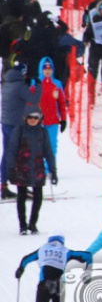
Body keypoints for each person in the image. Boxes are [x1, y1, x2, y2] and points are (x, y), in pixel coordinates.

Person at [8, 106, 56, 235]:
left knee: (38, 196)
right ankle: (22, 225)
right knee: (22, 196)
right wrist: (11, 168)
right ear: (25, 118)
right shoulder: (20, 130)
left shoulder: (43, 132)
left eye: (36, 118)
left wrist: (53, 170)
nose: (33, 120)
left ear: (39, 119)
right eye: (30, 117)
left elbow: (48, 151)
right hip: (21, 168)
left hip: (37, 168)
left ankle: (33, 223)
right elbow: (12, 150)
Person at [15, 232, 93, 302]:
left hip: (44, 284)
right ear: (62, 241)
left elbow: (25, 259)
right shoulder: (65, 251)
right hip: (59, 285)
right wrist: (88, 270)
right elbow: (88, 255)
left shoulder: (42, 249)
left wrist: (20, 270)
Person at [1, 62, 43, 199]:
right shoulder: (19, 86)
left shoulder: (7, 83)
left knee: (8, 153)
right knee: (23, 154)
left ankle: (3, 185)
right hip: (16, 125)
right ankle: (23, 186)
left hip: (6, 123)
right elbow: (34, 99)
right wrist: (38, 85)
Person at [37, 57, 67, 161]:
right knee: (40, 147)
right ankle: (41, 170)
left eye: (49, 69)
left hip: (53, 121)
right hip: (39, 122)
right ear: (42, 70)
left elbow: (62, 103)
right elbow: (30, 103)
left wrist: (63, 119)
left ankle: (50, 169)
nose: (47, 71)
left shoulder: (57, 84)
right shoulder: (37, 84)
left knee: (52, 146)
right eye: (45, 69)